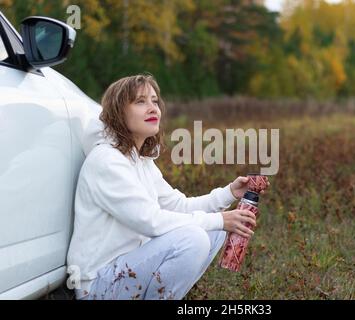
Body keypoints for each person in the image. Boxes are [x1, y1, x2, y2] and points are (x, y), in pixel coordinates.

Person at [67, 74, 266, 300]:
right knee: (194, 238)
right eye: (140, 101)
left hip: (128, 267)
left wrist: (229, 193)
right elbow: (152, 221)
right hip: (98, 285)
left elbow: (178, 205)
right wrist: (221, 219)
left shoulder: (139, 160)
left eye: (154, 101)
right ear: (118, 112)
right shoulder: (107, 161)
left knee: (213, 230)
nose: (153, 108)